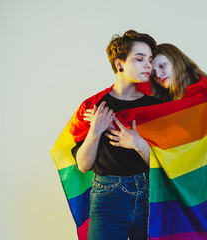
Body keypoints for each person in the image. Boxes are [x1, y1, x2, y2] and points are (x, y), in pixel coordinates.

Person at [84, 43, 207, 239]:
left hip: (189, 184)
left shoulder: (201, 97)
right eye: (153, 71)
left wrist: (131, 138)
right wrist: (99, 124)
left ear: (177, 61)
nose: (158, 74)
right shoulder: (161, 103)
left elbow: (185, 158)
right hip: (126, 192)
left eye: (162, 66)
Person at [59, 30, 162, 240]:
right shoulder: (94, 106)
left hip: (149, 197)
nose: (148, 65)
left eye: (150, 60)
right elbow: (83, 165)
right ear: (119, 64)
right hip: (108, 198)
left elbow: (170, 165)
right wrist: (95, 131)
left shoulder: (158, 107)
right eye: (140, 58)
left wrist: (138, 144)